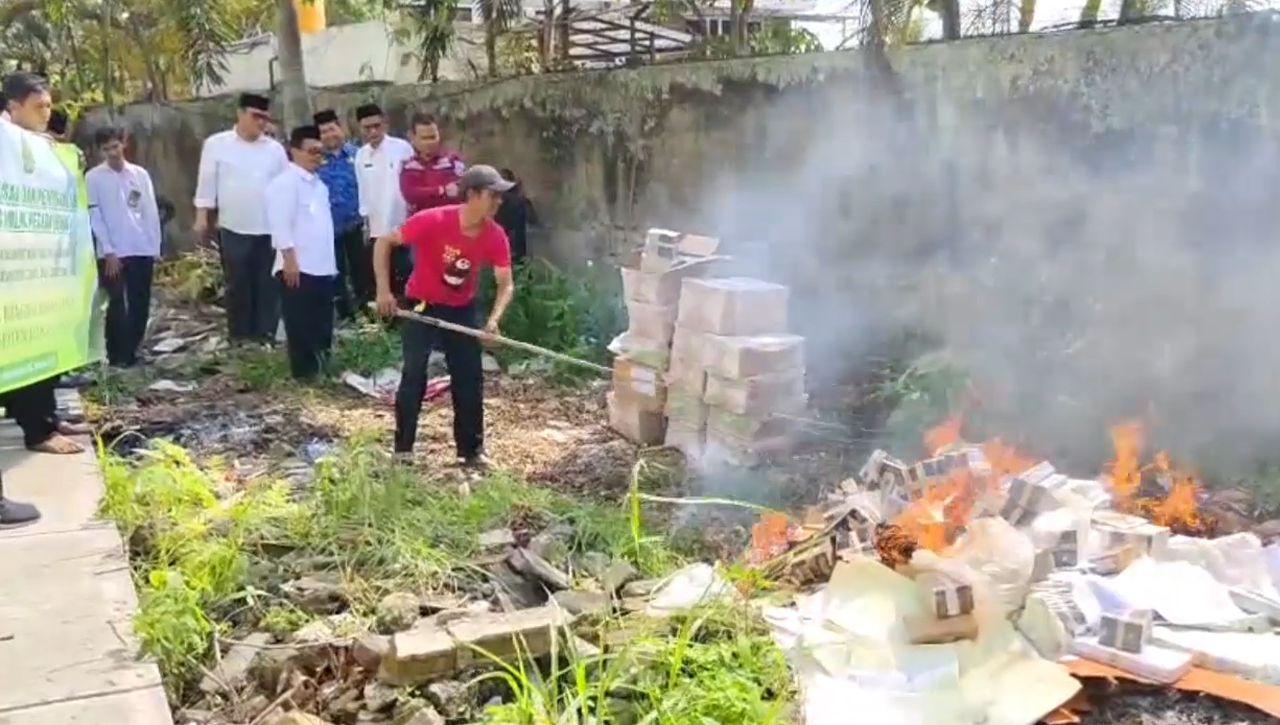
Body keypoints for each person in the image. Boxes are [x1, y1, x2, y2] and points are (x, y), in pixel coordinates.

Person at [373, 165, 516, 467]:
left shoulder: (494, 235)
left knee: (469, 377)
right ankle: (403, 450)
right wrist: (384, 292)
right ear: (473, 195)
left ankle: (471, 451)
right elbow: (383, 242)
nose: (498, 202)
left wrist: (493, 322)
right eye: (493, 195)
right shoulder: (434, 220)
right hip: (421, 305)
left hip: (461, 308)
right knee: (414, 374)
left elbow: (506, 284)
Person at [0, 72, 87, 456]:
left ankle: (47, 417)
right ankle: (37, 430)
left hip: (38, 269)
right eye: (38, 107)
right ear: (13, 106)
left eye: (49, 106)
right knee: (24, 349)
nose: (46, 114)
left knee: (45, 343)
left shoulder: (35, 146)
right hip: (13, 270)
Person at [193, 93, 288, 345]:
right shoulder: (216, 144)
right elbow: (206, 183)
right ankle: (240, 336)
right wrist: (202, 216)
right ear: (240, 114)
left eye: (265, 119)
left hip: (269, 228)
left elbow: (285, 189)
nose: (261, 123)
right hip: (234, 226)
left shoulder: (275, 150)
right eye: (256, 116)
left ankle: (264, 335)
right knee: (238, 284)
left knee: (267, 285)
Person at [86, 126, 162, 368]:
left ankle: (133, 352)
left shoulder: (139, 174)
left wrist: (155, 246)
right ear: (100, 151)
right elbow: (94, 214)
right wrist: (108, 250)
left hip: (140, 247)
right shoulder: (94, 178)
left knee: (140, 302)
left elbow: (149, 211)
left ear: (123, 144)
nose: (112, 152)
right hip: (113, 252)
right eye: (106, 149)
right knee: (118, 304)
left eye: (115, 146)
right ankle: (117, 355)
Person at [266, 126, 338, 381]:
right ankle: (304, 374)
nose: (317, 156)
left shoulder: (319, 185)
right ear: (294, 151)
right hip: (298, 266)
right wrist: (289, 260)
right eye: (311, 151)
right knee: (300, 324)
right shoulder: (284, 184)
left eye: (320, 152)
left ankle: (322, 368)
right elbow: (280, 224)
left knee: (322, 322)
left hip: (322, 265)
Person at [397, 114, 465, 300]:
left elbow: (459, 191)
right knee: (426, 281)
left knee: (456, 280)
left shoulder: (453, 161)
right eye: (425, 138)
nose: (431, 142)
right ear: (413, 138)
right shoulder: (408, 166)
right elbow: (410, 194)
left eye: (433, 136)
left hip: (452, 232)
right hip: (422, 235)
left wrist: (429, 193)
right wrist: (441, 190)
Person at [353, 103, 414, 309]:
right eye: (367, 128)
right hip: (376, 229)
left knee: (405, 277)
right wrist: (367, 224)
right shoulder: (361, 155)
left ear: (385, 123)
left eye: (377, 126)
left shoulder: (402, 148)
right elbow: (364, 192)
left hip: (402, 227)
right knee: (381, 279)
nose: (373, 132)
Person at [313, 109, 368, 319]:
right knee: (336, 272)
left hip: (356, 223)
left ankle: (366, 310)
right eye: (323, 132)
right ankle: (345, 314)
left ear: (340, 128)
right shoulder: (315, 160)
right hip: (328, 227)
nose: (329, 135)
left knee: (361, 269)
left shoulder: (358, 154)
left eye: (332, 129)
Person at [494, 168, 538, 264]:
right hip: (518, 253)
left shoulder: (495, 202)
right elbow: (533, 220)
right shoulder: (522, 200)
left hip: (501, 252)